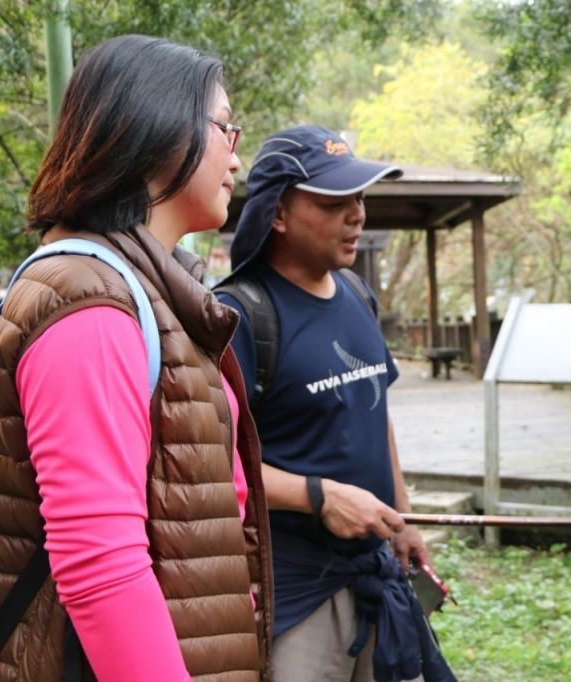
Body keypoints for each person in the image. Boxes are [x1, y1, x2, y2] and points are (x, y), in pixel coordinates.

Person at [0, 36, 273, 680]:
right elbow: (100, 566)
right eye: (226, 128)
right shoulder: (91, 308)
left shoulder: (149, 289)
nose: (237, 155)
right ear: (160, 127)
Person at [217, 125, 454, 682]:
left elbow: (375, 414)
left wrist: (403, 515)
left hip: (374, 567)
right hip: (296, 589)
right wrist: (318, 496)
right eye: (333, 202)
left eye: (360, 198)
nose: (357, 215)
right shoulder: (240, 317)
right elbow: (212, 465)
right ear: (277, 213)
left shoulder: (356, 293)